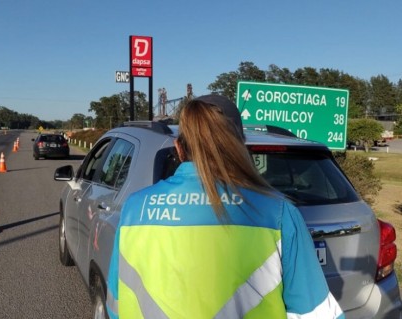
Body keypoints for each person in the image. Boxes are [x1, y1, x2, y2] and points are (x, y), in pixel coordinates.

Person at [106, 94, 345, 319]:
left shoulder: (134, 208)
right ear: (241, 147)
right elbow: (316, 313)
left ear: (179, 149)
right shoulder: (278, 212)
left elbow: (116, 304)